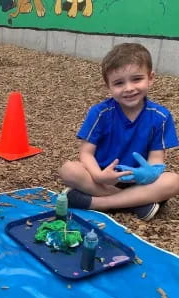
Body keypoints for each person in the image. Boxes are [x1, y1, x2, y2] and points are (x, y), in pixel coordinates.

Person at [59, 43, 179, 221]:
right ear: (108, 86)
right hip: (103, 177)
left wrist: (149, 174)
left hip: (139, 181)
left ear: (151, 78)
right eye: (119, 83)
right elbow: (86, 153)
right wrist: (100, 175)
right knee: (68, 170)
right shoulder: (100, 113)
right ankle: (136, 204)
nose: (129, 88)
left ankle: (96, 204)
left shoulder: (160, 116)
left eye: (137, 79)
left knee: (174, 181)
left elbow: (156, 160)